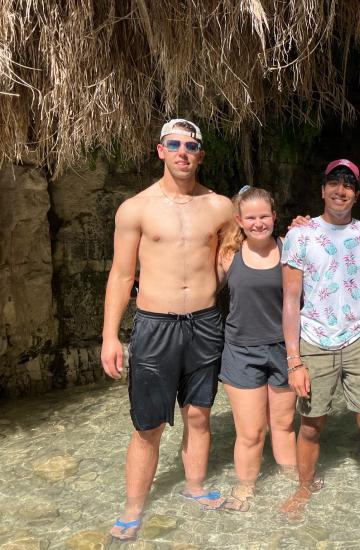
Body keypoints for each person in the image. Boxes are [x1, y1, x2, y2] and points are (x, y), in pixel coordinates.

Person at [100, 119, 233, 541]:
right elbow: (121, 276)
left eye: (190, 145)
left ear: (200, 154)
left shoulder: (221, 207)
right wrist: (110, 336)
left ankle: (194, 487)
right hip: (155, 324)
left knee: (199, 414)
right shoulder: (136, 208)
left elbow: (242, 253)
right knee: (148, 426)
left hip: (205, 322)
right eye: (173, 144)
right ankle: (133, 507)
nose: (182, 152)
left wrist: (296, 231)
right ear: (160, 150)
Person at [279, 159, 360, 518]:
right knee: (312, 423)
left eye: (348, 184)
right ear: (322, 190)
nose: (340, 190)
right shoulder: (300, 236)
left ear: (357, 194)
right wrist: (294, 361)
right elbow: (290, 301)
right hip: (314, 340)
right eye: (334, 182)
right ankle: (304, 488)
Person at [216, 186, 297, 512]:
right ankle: (245, 489)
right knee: (250, 433)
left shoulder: (290, 249)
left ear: (275, 217)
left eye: (265, 216)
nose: (259, 222)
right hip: (242, 352)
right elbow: (199, 286)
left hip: (284, 349)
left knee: (284, 425)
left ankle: (292, 483)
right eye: (251, 217)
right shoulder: (227, 254)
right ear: (240, 220)